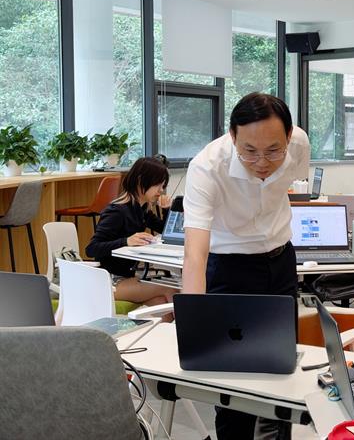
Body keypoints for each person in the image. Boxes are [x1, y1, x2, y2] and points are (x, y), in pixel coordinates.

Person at [182, 92, 310, 439]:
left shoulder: (299, 144)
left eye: (274, 150)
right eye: (250, 151)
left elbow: (292, 184)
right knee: (233, 382)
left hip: (281, 261)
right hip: (230, 268)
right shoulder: (207, 167)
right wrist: (193, 328)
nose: (262, 162)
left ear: (289, 137)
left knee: (282, 370)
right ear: (232, 136)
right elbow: (195, 254)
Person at [86, 157, 177, 312]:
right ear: (141, 181)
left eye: (163, 186)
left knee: (161, 303)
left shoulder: (141, 209)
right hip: (111, 282)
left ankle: (170, 328)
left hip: (126, 278)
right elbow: (92, 249)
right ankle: (190, 327)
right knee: (171, 288)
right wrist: (126, 241)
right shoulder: (117, 211)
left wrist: (167, 209)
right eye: (158, 185)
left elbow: (166, 231)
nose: (161, 191)